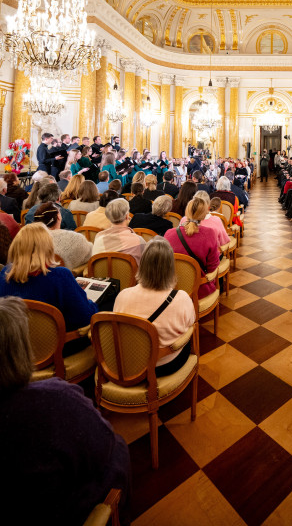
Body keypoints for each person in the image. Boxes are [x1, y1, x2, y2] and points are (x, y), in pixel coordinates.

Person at [0, 297, 131, 526]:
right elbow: (103, 445)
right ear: (20, 349)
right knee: (118, 447)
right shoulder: (54, 400)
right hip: (58, 512)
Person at [114, 238, 196, 376]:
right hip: (163, 365)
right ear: (171, 267)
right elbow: (191, 323)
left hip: (129, 364)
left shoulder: (122, 296)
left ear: (143, 264)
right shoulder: (181, 298)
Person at [0, 224, 97, 330]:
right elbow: (85, 318)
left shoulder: (5, 273)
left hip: (16, 339)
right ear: (48, 248)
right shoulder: (60, 276)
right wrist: (89, 301)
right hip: (62, 339)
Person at [165, 197, 219, 299]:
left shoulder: (169, 233)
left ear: (187, 212)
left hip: (172, 290)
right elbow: (212, 267)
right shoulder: (210, 234)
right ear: (204, 215)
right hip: (199, 290)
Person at [34, 202, 92, 272]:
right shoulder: (75, 238)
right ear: (59, 217)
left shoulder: (29, 240)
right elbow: (91, 255)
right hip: (66, 277)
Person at [92, 198, 144, 266]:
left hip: (102, 272)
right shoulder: (139, 241)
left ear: (108, 217)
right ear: (127, 216)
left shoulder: (98, 238)